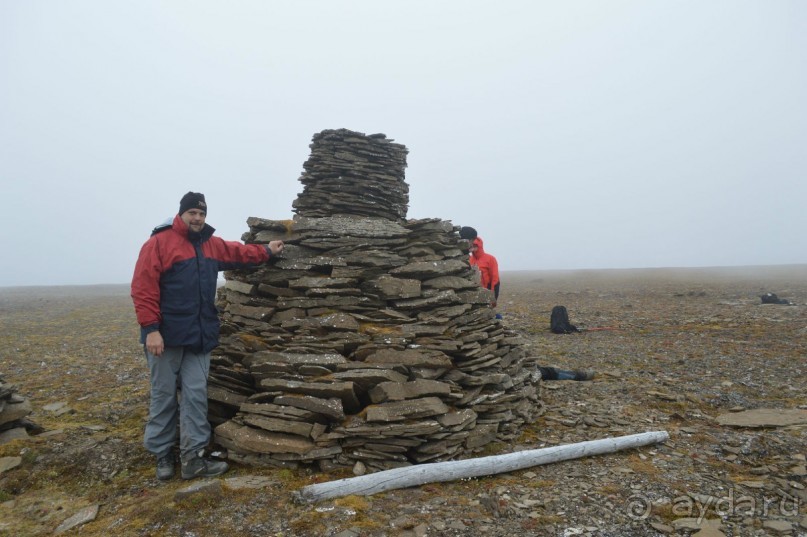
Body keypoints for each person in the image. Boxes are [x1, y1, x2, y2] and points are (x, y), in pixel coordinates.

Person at [131, 192, 285, 481]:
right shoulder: (159, 244)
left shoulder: (210, 245)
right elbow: (143, 288)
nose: (197, 218)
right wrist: (151, 330)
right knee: (163, 395)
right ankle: (163, 453)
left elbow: (238, 253)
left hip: (199, 336)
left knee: (196, 396)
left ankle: (193, 458)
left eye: (201, 214)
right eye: (192, 213)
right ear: (181, 214)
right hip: (165, 338)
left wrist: (266, 250)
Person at [459, 226, 594, 382]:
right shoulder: (465, 260)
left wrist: (492, 300)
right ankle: (572, 375)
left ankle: (572, 375)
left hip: (483, 304)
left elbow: (495, 280)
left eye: (469, 242)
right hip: (472, 309)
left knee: (520, 366)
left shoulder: (489, 259)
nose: (468, 245)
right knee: (523, 370)